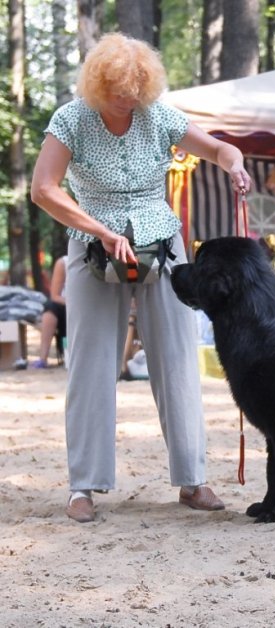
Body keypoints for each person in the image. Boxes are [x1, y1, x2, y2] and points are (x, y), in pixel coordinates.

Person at [30, 32, 252, 524]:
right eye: (115, 93)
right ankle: (83, 486)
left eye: (133, 93)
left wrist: (234, 165)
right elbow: (43, 190)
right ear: (96, 85)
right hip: (92, 245)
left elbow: (219, 150)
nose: (124, 101)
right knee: (90, 362)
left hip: (162, 244)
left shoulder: (158, 116)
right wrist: (99, 230)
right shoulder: (71, 120)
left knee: (175, 356)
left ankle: (192, 480)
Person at [32, 255, 67, 368]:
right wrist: (73, 304)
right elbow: (55, 296)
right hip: (67, 305)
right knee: (50, 309)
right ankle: (43, 358)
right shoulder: (63, 263)